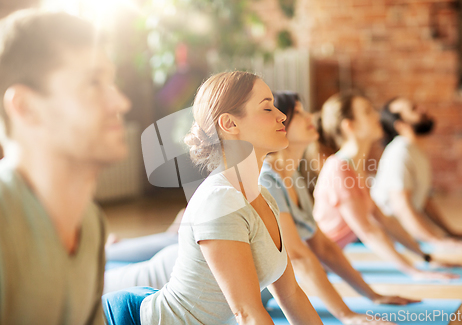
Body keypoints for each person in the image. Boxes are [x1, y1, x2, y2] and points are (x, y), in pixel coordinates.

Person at [102, 71, 323, 325]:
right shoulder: (220, 200)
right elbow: (248, 313)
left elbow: (291, 295)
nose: (281, 115)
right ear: (229, 124)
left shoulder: (265, 198)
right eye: (266, 108)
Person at [0, 10, 130, 324]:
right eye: (93, 82)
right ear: (26, 108)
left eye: (110, 82)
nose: (120, 103)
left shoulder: (91, 223)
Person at [260, 91, 419, 324]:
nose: (311, 117)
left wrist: (372, 295)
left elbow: (322, 246)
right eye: (299, 113)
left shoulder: (291, 176)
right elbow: (297, 256)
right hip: (260, 298)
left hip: (293, 288)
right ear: (279, 124)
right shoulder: (267, 181)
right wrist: (347, 315)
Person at [309, 93, 459, 280]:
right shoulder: (339, 168)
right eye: (367, 112)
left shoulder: (354, 167)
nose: (377, 116)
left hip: (327, 261)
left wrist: (426, 258)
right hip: (314, 263)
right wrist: (415, 272)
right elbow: (368, 231)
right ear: (350, 126)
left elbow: (384, 220)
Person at [371, 97, 462, 250]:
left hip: (404, 233)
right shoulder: (399, 152)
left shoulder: (415, 150)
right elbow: (401, 206)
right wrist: (437, 242)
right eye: (413, 109)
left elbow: (423, 200)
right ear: (401, 125)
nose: (422, 109)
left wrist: (450, 233)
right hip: (388, 237)